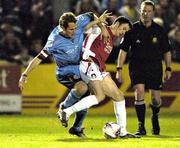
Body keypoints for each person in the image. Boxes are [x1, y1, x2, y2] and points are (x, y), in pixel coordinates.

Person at [18, 11, 110, 137]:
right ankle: (64, 108)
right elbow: (38, 58)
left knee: (88, 95)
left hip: (80, 66)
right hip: (64, 71)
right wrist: (25, 74)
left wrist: (102, 28)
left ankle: (76, 128)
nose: (74, 32)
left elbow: (91, 15)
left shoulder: (78, 21)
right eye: (71, 30)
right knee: (82, 88)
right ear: (63, 28)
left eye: (75, 28)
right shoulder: (54, 40)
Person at [58, 16, 140, 138]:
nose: (123, 32)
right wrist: (101, 25)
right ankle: (66, 112)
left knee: (119, 96)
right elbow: (89, 24)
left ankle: (122, 132)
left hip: (99, 68)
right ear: (116, 24)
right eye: (123, 28)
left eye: (125, 31)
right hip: (88, 63)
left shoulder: (111, 40)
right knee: (99, 96)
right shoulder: (101, 29)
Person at [116, 0, 172, 135]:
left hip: (155, 67)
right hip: (137, 66)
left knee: (155, 99)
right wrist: (119, 69)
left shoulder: (159, 30)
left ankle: (155, 116)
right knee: (139, 92)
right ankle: (141, 126)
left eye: (149, 11)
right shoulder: (132, 30)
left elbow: (167, 51)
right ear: (139, 12)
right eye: (143, 11)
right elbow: (123, 50)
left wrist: (168, 68)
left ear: (153, 13)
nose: (146, 13)